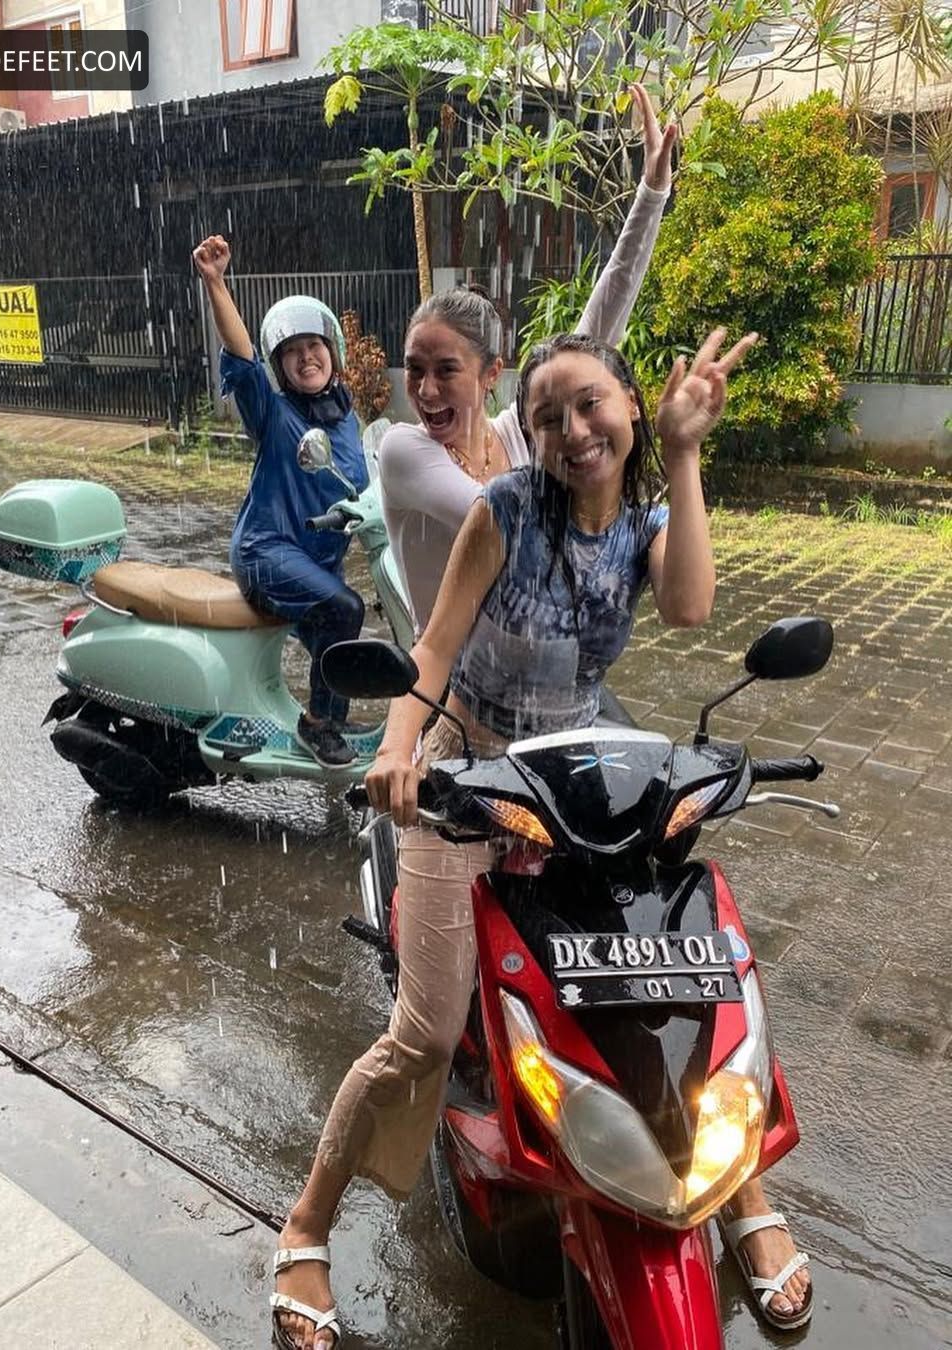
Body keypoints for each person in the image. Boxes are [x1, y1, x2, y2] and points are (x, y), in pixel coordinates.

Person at [271, 327, 814, 1349]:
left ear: (631, 407)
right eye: (548, 415)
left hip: (583, 776)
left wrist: (688, 453)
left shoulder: (649, 519)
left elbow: (691, 607)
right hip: (473, 776)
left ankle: (740, 1189)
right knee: (425, 1034)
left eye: (589, 404)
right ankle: (306, 1227)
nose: (573, 430)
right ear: (531, 432)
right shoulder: (506, 509)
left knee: (684, 978)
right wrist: (399, 753)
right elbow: (433, 649)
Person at [381, 83, 673, 637]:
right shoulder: (403, 451)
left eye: (446, 370)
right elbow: (506, 521)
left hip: (540, 666)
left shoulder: (516, 435)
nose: (424, 389)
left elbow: (596, 333)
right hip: (448, 680)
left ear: (491, 373)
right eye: (414, 369)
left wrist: (651, 194)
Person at [192, 236, 368, 767]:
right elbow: (243, 360)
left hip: (316, 561)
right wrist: (216, 283)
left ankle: (333, 716)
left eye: (314, 345)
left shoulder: (349, 421)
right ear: (282, 365)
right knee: (345, 609)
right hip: (266, 552)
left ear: (333, 352)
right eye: (292, 351)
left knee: (342, 640)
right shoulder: (273, 413)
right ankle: (319, 725)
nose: (306, 357)